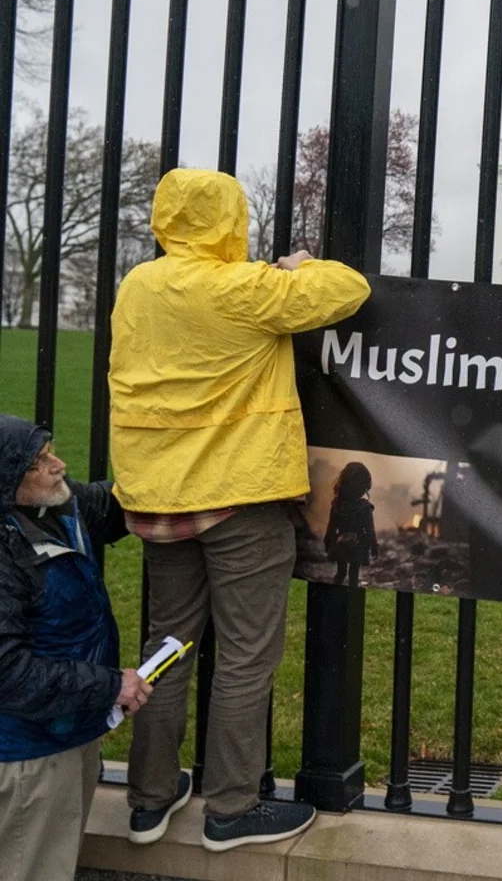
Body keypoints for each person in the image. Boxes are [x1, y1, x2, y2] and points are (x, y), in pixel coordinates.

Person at [110, 168, 371, 853]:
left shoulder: (138, 285)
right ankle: (231, 807)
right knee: (247, 657)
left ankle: (148, 798)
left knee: (167, 647)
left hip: (160, 502)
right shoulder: (242, 288)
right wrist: (300, 266)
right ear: (229, 221)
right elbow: (349, 289)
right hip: (238, 501)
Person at [0, 417, 148, 881]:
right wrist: (109, 685)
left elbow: (114, 503)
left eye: (52, 452)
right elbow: (11, 675)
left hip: (67, 738)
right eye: (40, 462)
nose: (58, 465)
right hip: (30, 757)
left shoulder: (54, 508)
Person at [323, 462, 378, 588]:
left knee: (341, 573)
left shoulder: (337, 504)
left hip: (340, 543)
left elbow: (331, 526)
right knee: (353, 575)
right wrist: (374, 545)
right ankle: (352, 597)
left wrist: (328, 540)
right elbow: (370, 530)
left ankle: (333, 592)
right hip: (357, 546)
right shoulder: (365, 507)